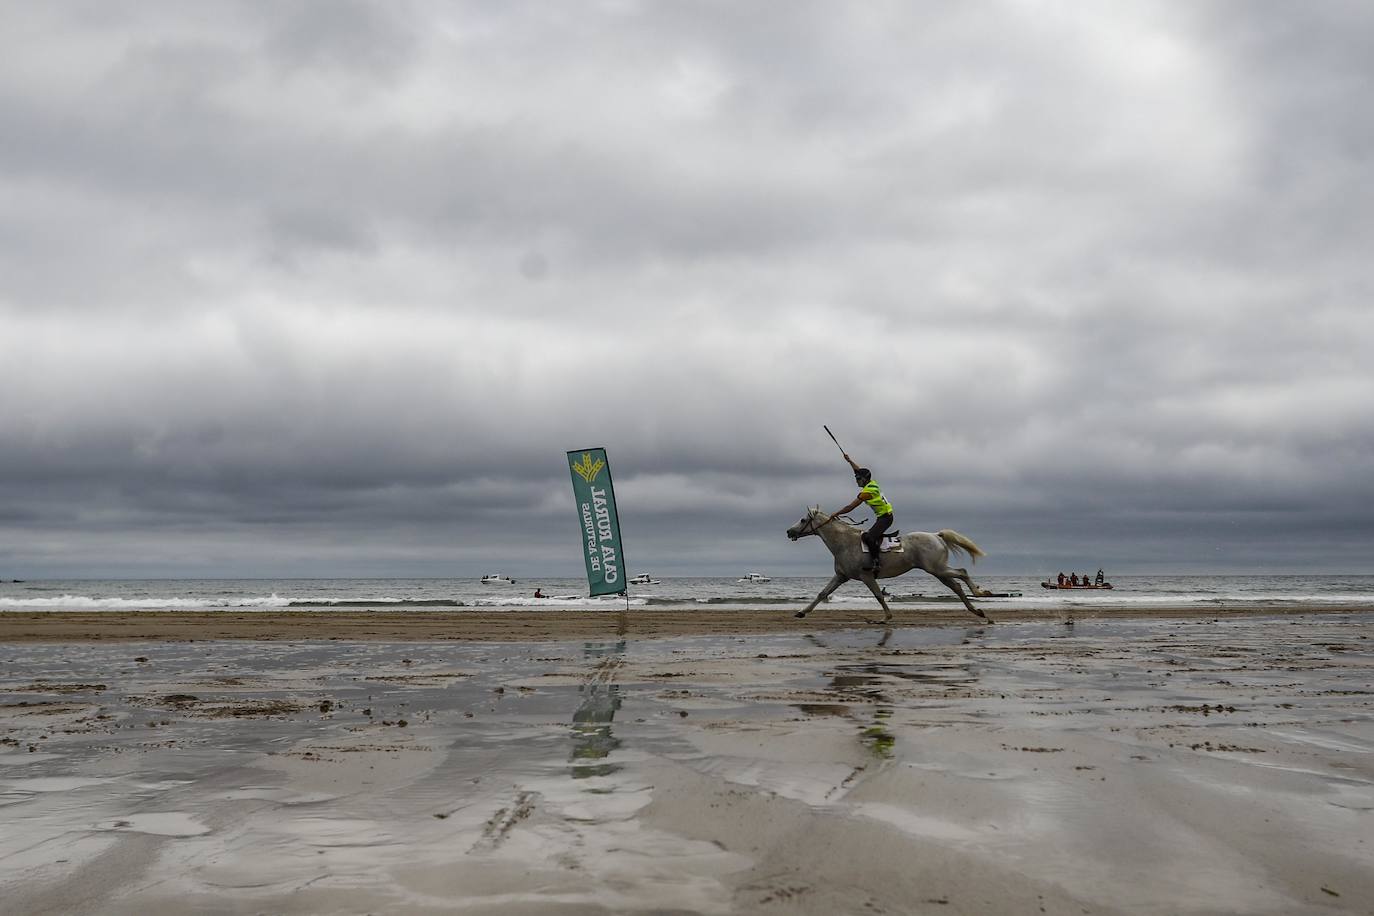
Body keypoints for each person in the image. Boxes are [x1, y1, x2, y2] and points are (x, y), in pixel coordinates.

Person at [833, 452, 895, 572]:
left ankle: (876, 563)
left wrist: (836, 513)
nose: (856, 481)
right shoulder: (872, 482)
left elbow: (850, 507)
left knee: (868, 537)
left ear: (864, 479)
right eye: (856, 478)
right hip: (882, 517)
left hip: (886, 518)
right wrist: (849, 460)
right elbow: (858, 470)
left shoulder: (868, 492)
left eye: (858, 479)